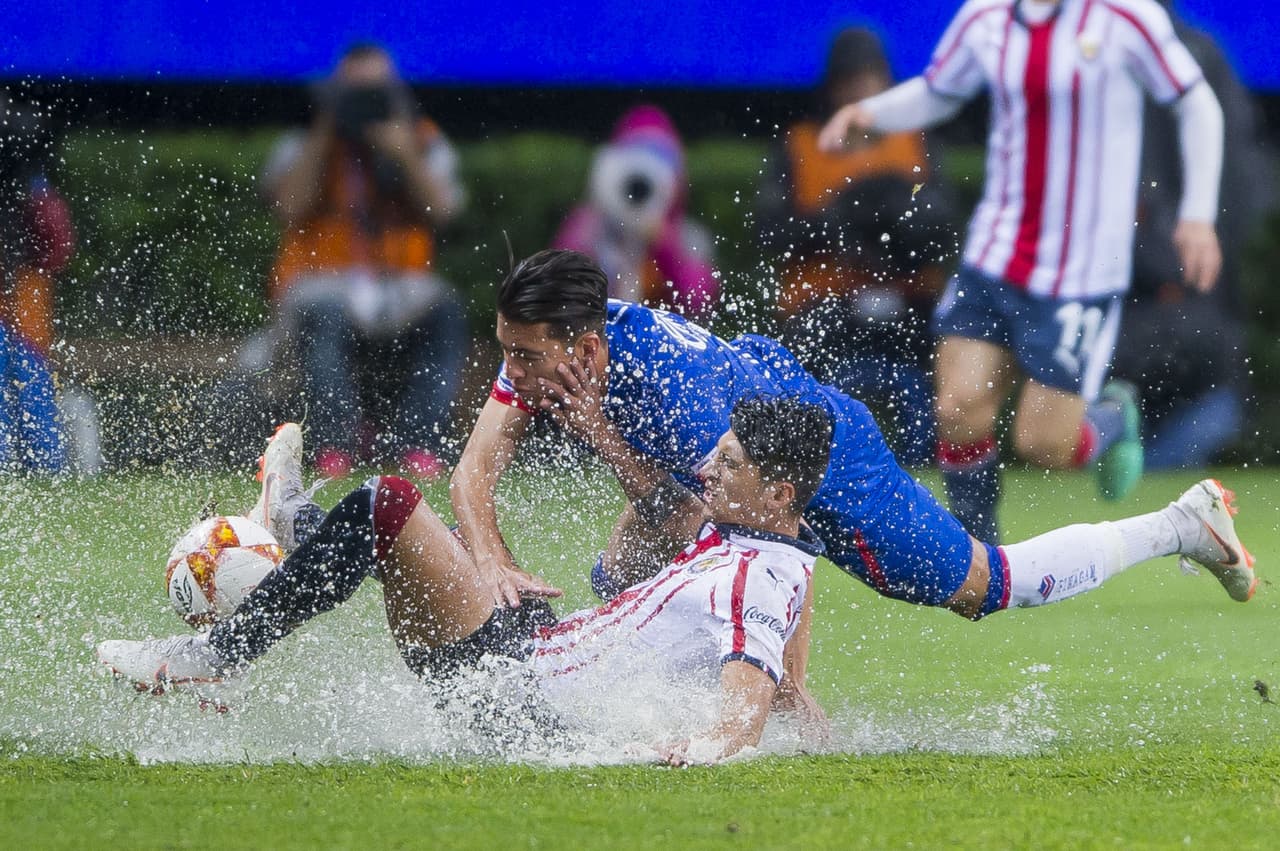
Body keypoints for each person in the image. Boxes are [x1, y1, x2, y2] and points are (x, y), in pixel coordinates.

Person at [451, 250, 1254, 633]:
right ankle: (573, 675)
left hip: (830, 465)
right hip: (753, 441)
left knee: (985, 582)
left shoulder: (665, 386)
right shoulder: (560, 354)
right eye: (506, 350)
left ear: (584, 348)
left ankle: (1183, 523)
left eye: (524, 355)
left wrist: (598, 433)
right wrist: (488, 562)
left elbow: (754, 531)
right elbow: (472, 473)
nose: (513, 371)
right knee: (621, 573)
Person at [98, 397, 833, 765]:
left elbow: (741, 719)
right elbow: (770, 565)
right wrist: (602, 434)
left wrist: (698, 746)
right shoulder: (764, 535)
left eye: (729, 464)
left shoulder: (755, 580)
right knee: (405, 537)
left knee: (390, 505)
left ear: (778, 493)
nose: (707, 468)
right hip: (536, 643)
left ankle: (217, 651)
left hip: (514, 695)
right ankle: (290, 516)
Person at [818, 0, 1225, 542]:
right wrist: (872, 113)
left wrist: (1197, 214)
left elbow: (1196, 102)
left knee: (1044, 444)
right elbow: (941, 90)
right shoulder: (985, 17)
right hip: (996, 252)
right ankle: (974, 556)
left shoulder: (1123, 16)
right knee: (958, 408)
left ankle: (1108, 420)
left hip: (1080, 273)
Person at [260, 43, 468, 480]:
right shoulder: (304, 142)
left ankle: (419, 443)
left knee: (445, 308)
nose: (365, 103)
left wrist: (402, 151)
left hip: (400, 285)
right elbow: (289, 206)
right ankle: (334, 443)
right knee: (326, 312)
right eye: (355, 93)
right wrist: (327, 128)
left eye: (376, 93)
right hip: (322, 283)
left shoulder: (422, 140)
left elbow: (445, 212)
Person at [758, 27, 959, 465]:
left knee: (954, 339)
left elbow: (943, 226)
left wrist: (896, 221)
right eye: (851, 81)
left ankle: (940, 451)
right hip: (826, 300)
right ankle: (804, 458)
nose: (861, 92)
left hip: (908, 298)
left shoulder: (917, 141)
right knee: (802, 355)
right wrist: (839, 219)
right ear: (832, 88)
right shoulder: (800, 146)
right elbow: (770, 230)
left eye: (871, 79)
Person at [1112, 0, 1275, 469]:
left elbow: (1238, 190)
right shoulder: (1190, 51)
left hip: (1181, 317)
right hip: (1171, 313)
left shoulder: (1191, 58)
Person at [554, 105, 719, 320]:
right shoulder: (588, 229)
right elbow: (559, 293)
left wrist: (665, 247)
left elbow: (699, 301)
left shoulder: (686, 237)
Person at [0, 92, 81, 474]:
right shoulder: (30, 161)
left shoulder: (31, 176)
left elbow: (56, 246)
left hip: (23, 285)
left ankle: (45, 466)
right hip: (23, 284)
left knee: (31, 381)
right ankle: (36, 465)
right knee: (27, 382)